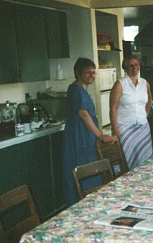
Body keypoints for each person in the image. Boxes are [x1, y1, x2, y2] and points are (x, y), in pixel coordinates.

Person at [62, 57, 113, 206]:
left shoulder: (81, 89)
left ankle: (88, 201)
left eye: (93, 73)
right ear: (78, 73)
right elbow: (83, 114)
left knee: (88, 167)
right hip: (79, 136)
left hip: (85, 135)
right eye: (87, 73)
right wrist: (100, 135)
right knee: (83, 167)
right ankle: (82, 203)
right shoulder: (76, 89)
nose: (91, 76)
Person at [110, 55, 153, 169]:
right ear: (125, 68)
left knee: (144, 159)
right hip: (124, 127)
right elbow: (113, 108)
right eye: (131, 66)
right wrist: (115, 131)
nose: (134, 68)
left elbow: (149, 99)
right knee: (126, 159)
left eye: (136, 65)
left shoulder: (145, 83)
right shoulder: (120, 84)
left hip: (143, 127)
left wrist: (145, 115)